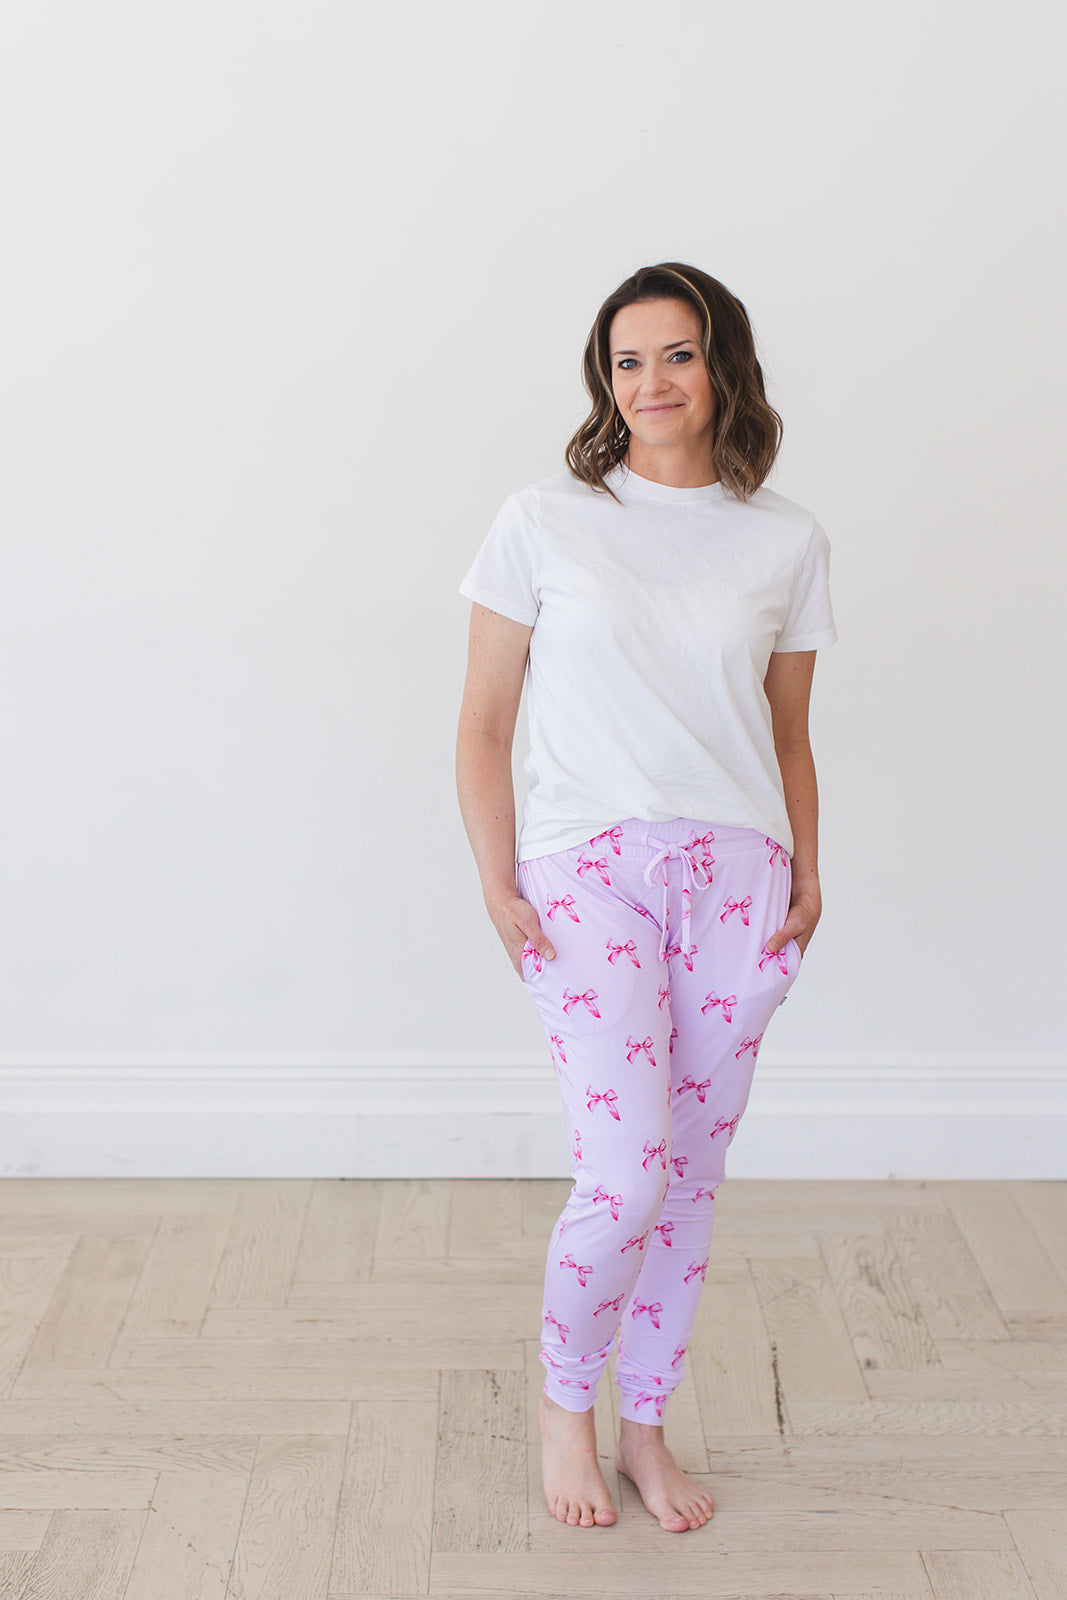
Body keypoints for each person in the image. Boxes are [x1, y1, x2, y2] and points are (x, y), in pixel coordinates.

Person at [454, 262, 837, 1534]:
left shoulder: (784, 539)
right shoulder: (542, 520)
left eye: (676, 355)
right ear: (602, 379)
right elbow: (482, 723)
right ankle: (565, 1401)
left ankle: (647, 1425)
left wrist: (807, 867)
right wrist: (497, 880)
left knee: (689, 1178)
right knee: (623, 1177)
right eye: (626, 361)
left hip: (738, 877)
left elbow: (787, 733)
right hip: (586, 870)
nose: (651, 382)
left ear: (722, 365)